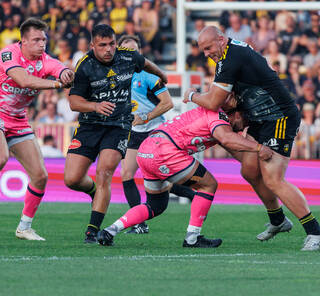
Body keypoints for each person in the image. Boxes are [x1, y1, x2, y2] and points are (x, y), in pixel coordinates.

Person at [183, 26, 320, 251]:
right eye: (202, 50)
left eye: (208, 48)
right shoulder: (229, 54)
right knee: (249, 169)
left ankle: (314, 231)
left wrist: (190, 95)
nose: (206, 53)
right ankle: (278, 220)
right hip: (260, 119)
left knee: (273, 179)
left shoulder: (231, 58)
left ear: (220, 39)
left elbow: (213, 102)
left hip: (279, 116)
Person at [97, 105, 273, 248]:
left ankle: (110, 231)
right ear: (236, 114)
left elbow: (234, 148)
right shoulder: (220, 121)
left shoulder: (214, 119)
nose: (244, 127)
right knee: (209, 184)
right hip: (165, 152)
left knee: (155, 205)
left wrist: (254, 162)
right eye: (245, 120)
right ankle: (192, 238)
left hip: (146, 149)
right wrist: (259, 148)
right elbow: (227, 139)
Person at [63, 24, 168, 244]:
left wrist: (161, 75)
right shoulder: (84, 65)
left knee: (105, 172)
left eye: (111, 43)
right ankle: (94, 191)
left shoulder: (128, 57)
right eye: (102, 45)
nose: (108, 49)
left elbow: (146, 63)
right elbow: (74, 102)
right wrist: (95, 106)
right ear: (93, 46)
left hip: (119, 125)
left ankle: (92, 230)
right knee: (72, 179)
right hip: (90, 126)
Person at [0, 18, 74, 241]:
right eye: (36, 40)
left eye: (44, 39)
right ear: (23, 41)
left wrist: (65, 74)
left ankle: (24, 227)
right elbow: (23, 80)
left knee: (40, 176)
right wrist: (57, 84)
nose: (42, 43)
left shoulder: (45, 61)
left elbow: (60, 68)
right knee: (1, 157)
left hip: (18, 120)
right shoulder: (8, 54)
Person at [118, 34, 196, 234]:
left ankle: (195, 195)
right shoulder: (115, 78)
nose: (130, 54)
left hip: (154, 132)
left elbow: (168, 103)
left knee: (161, 178)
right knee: (126, 174)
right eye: (126, 50)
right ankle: (139, 223)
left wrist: (146, 117)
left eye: (134, 50)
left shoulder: (148, 77)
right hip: (133, 133)